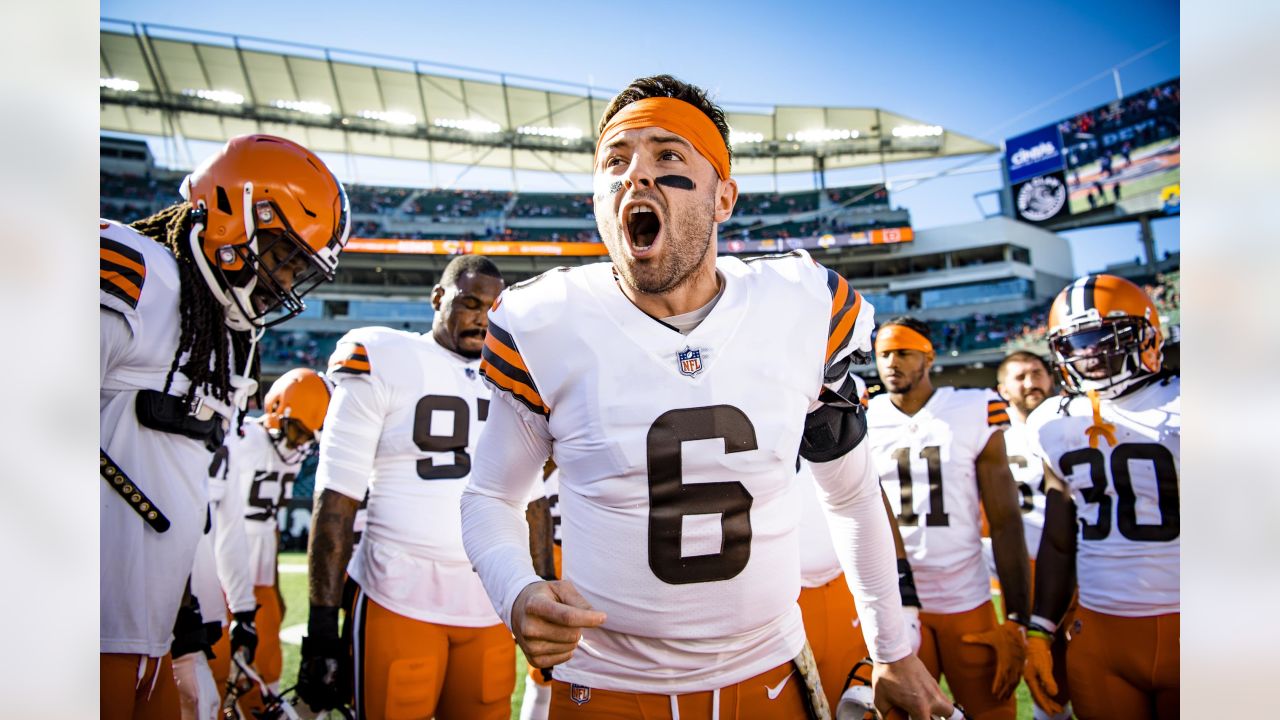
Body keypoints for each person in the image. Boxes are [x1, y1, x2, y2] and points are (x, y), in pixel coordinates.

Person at [459, 74, 951, 720]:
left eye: (668, 155)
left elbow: (851, 494)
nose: (637, 175)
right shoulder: (545, 320)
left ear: (724, 198)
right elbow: (490, 495)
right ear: (598, 198)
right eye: (617, 160)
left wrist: (893, 648)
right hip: (602, 686)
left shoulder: (802, 305)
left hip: (766, 678)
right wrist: (516, 591)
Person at [101, 134, 350, 720]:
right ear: (239, 215)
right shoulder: (137, 273)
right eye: (283, 256)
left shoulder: (226, 333)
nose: (286, 283)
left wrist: (186, 629)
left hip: (155, 633)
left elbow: (184, 493)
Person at [297, 255, 517, 720]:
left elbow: (530, 501)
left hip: (489, 600)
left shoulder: (512, 379)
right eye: (470, 302)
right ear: (438, 298)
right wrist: (321, 631)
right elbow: (336, 497)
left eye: (493, 308)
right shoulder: (383, 354)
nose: (482, 317)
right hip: (397, 595)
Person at [1022, 275, 1180, 720]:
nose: (1090, 354)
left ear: (1147, 333)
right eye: (1077, 343)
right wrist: (1040, 630)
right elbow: (1058, 537)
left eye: (1102, 338)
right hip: (1099, 633)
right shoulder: (1053, 421)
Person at [865, 317, 1031, 720]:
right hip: (894, 601)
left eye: (903, 352)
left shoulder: (972, 408)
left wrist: (1017, 620)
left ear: (928, 356)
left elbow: (1006, 517)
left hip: (965, 595)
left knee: (992, 712)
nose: (892, 363)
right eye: (884, 354)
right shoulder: (862, 416)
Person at [212, 368, 331, 714]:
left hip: (260, 567)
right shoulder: (243, 439)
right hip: (223, 561)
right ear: (280, 410)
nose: (302, 443)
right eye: (300, 432)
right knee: (217, 664)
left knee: (268, 663)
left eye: (310, 436)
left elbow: (272, 524)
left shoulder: (290, 453)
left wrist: (275, 583)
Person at [993, 351, 1072, 720]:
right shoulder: (992, 436)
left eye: (1037, 373)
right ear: (1001, 388)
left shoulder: (1071, 424)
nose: (1031, 383)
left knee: (1074, 657)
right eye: (1020, 376)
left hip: (1074, 559)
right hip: (1021, 564)